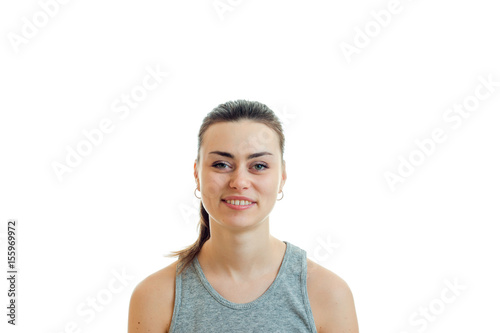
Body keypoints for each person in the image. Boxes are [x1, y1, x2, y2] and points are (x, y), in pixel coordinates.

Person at [128, 100, 359, 332]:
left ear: (283, 176)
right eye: (221, 164)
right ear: (197, 174)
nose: (239, 182)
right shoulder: (154, 297)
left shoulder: (329, 294)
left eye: (258, 166)